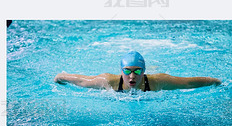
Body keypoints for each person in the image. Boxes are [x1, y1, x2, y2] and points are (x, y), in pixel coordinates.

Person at [54, 51, 221, 92]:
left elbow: (188, 82)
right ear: (120, 71)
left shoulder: (158, 81)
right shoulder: (108, 81)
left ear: (144, 72)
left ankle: (153, 66)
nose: (132, 76)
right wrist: (61, 77)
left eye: (137, 71)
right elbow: (83, 80)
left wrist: (214, 81)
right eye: (127, 71)